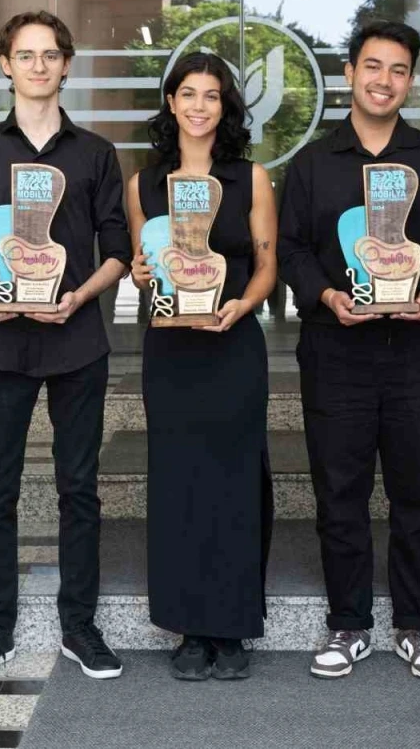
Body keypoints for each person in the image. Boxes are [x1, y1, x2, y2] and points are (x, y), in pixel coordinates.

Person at [277, 21, 420, 681]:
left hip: (417, 350)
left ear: (410, 81)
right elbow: (292, 249)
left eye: (397, 69)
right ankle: (349, 623)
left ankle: (417, 625)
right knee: (340, 492)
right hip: (336, 351)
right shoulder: (314, 164)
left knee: (418, 494)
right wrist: (326, 295)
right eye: (372, 66)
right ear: (349, 73)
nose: (383, 80)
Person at [0, 11, 129, 683]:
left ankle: (80, 626)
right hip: (2, 340)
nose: (38, 65)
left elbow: (119, 251)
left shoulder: (95, 153)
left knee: (79, 489)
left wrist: (80, 296)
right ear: (6, 64)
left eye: (50, 55)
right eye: (25, 55)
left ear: (67, 65)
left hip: (77, 340)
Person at [125, 52, 277, 681]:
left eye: (211, 95)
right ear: (171, 102)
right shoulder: (143, 183)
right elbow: (143, 265)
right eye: (188, 93)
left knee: (236, 483)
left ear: (226, 106)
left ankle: (232, 625)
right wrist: (139, 273)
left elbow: (267, 265)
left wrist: (245, 304)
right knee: (178, 484)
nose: (198, 106)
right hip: (171, 350)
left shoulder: (251, 178)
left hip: (233, 344)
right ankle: (189, 627)